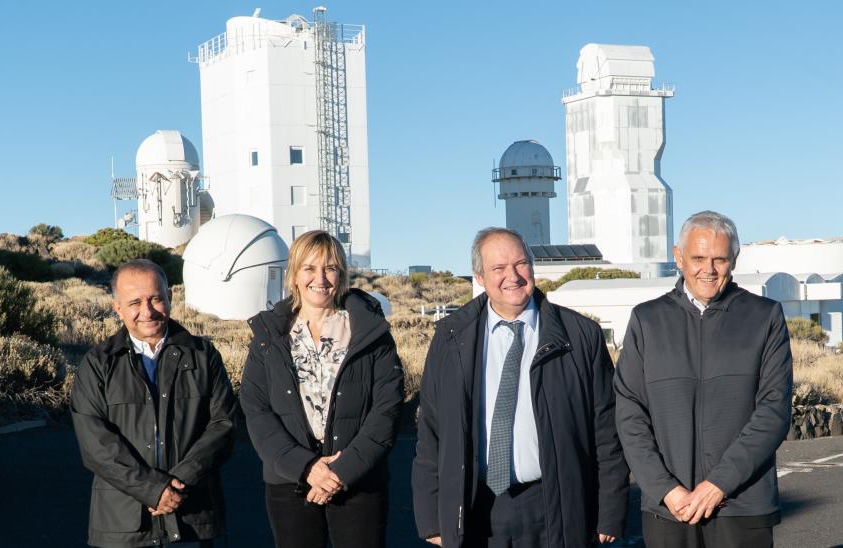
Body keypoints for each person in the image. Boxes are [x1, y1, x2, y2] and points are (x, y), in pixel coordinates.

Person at [413, 227, 628, 547]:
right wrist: (432, 517)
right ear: (479, 277)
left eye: (521, 263)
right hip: (475, 508)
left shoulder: (581, 337)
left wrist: (609, 511)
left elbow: (607, 431)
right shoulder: (451, 339)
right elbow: (431, 431)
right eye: (498, 268)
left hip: (554, 505)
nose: (512, 276)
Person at [614, 211, 793, 548]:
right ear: (678, 256)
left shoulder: (764, 317)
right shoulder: (647, 320)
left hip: (742, 507)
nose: (708, 270)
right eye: (698, 258)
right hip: (669, 510)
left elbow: (774, 411)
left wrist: (718, 485)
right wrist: (666, 489)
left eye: (719, 259)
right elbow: (629, 414)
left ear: (734, 260)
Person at [240, 230, 405, 548]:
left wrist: (342, 471)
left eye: (330, 268)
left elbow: (387, 407)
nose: (321, 278)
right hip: (290, 482)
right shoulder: (270, 336)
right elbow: (256, 408)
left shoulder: (368, 332)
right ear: (294, 275)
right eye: (309, 268)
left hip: (358, 480)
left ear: (341, 274)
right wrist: (305, 467)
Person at [71, 259, 236, 547]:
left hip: (193, 519)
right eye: (134, 302)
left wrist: (179, 483)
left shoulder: (203, 355)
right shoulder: (99, 363)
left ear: (170, 297)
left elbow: (224, 425)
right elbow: (95, 444)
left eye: (155, 299)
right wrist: (153, 489)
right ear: (118, 308)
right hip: (123, 527)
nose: (147, 311)